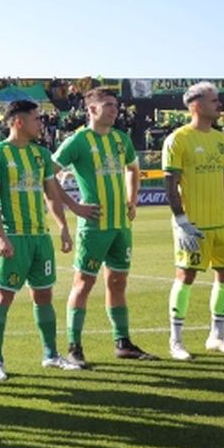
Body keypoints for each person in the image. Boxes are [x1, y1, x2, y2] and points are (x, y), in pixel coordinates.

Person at [0, 100, 97, 382]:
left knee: (43, 294)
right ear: (18, 121)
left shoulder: (41, 155)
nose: (40, 123)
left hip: (39, 238)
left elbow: (51, 194)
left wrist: (63, 227)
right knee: (3, 296)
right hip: (14, 238)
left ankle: (50, 354)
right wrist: (0, 235)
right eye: (35, 118)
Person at [51, 88, 156, 363]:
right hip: (95, 227)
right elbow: (47, 176)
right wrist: (73, 206)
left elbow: (133, 170)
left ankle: (123, 343)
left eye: (116, 105)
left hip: (121, 226)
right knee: (84, 283)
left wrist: (132, 200)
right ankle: (74, 347)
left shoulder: (121, 139)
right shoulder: (78, 141)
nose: (114, 110)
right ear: (92, 110)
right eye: (108, 105)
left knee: (118, 283)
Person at [162, 82, 224, 359]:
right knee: (186, 275)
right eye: (214, 100)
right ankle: (176, 341)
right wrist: (181, 221)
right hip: (193, 225)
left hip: (221, 224)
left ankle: (217, 335)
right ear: (196, 105)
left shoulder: (219, 138)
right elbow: (171, 184)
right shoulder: (177, 139)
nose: (219, 104)